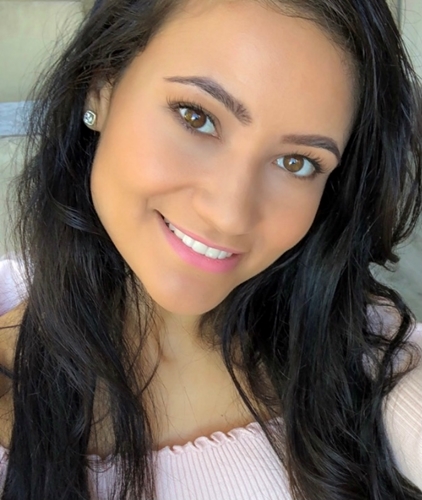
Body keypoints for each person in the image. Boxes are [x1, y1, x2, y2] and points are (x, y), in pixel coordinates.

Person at [0, 0, 421, 498]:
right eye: (196, 117)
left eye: (297, 162)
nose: (230, 215)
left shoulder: (374, 359)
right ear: (102, 85)